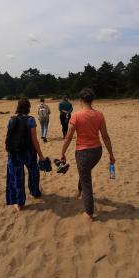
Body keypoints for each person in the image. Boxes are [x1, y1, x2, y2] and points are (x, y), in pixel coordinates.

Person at [60, 88, 115, 221]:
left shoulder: (76, 115)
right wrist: (111, 155)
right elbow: (105, 136)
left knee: (87, 182)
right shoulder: (99, 115)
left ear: (81, 100)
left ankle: (89, 213)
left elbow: (68, 137)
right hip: (97, 152)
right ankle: (79, 190)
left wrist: (62, 153)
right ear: (92, 100)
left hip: (83, 153)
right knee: (85, 172)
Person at [6, 98, 45, 212]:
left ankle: (19, 203)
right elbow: (34, 140)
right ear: (28, 108)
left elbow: (9, 137)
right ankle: (35, 192)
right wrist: (41, 156)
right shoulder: (30, 120)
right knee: (33, 172)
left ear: (18, 107)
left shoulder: (12, 119)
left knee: (17, 177)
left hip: (14, 153)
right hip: (29, 152)